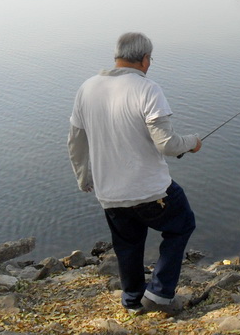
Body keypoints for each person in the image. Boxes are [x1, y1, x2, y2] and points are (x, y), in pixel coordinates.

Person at [67, 32, 202, 316]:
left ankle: (131, 302)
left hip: (110, 193)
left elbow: (76, 141)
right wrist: (192, 143)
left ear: (117, 56)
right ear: (144, 59)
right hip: (151, 192)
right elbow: (166, 144)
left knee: (127, 244)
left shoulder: (87, 88)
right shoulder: (148, 89)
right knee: (182, 224)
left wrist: (84, 178)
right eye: (149, 60)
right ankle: (160, 294)